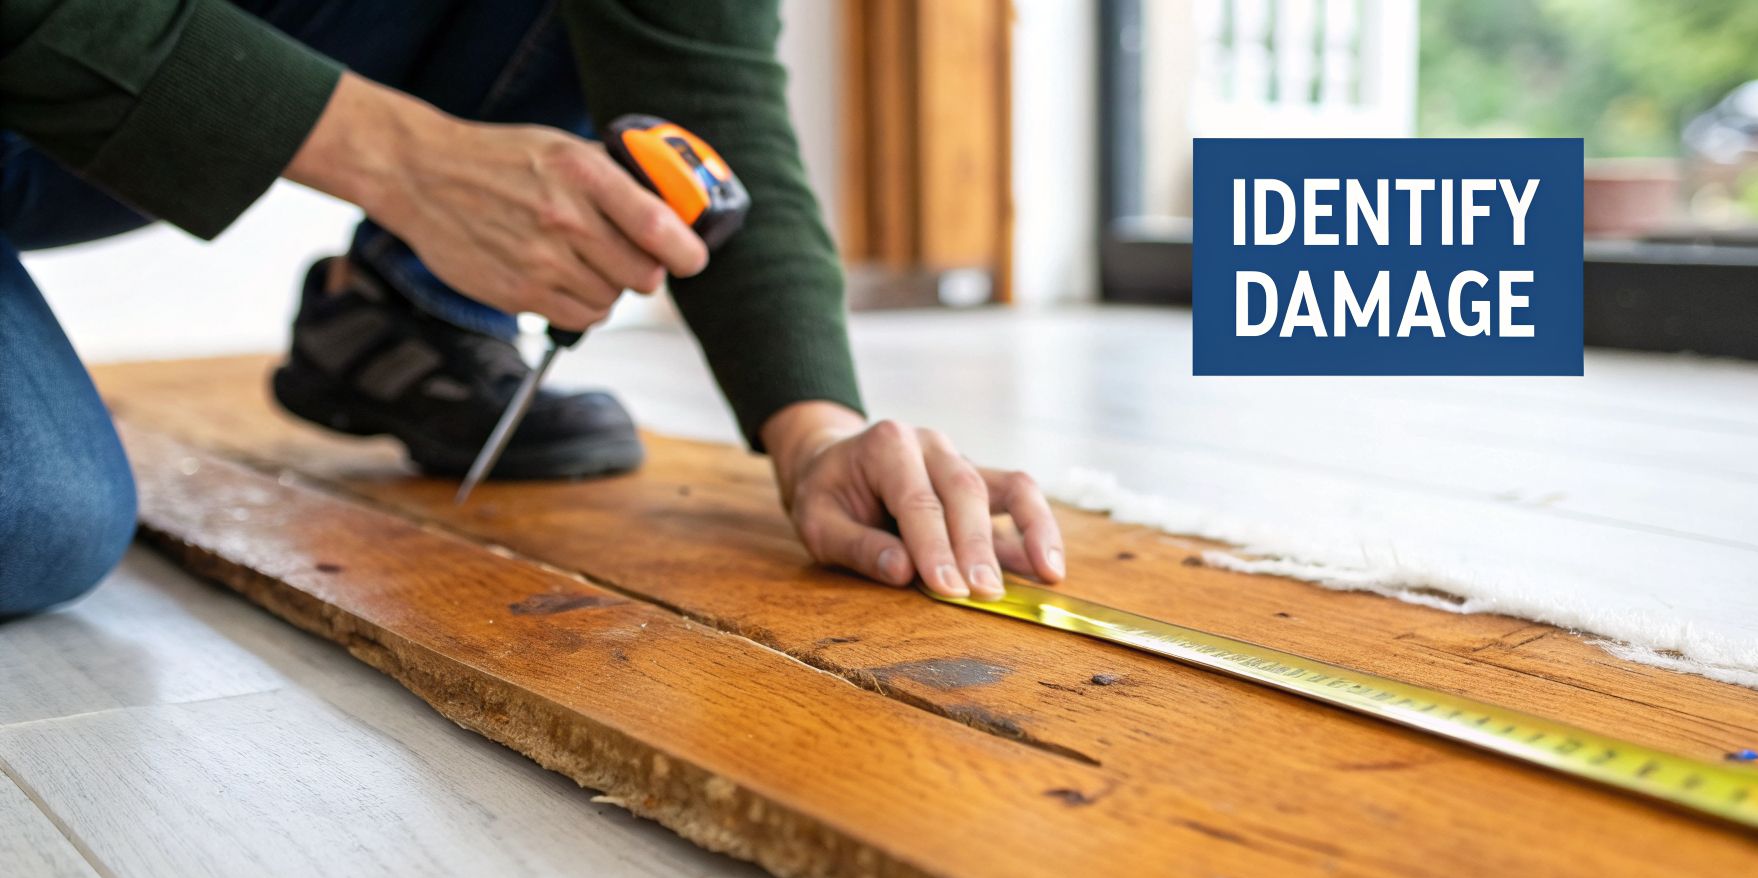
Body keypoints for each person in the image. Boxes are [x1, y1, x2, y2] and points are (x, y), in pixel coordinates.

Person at [0, 0, 1066, 618]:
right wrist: (398, 156)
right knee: (37, 513)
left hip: (90, 122)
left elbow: (703, 84)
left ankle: (409, 313)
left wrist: (815, 427)